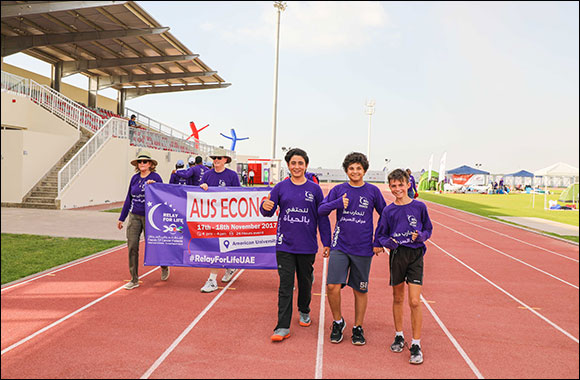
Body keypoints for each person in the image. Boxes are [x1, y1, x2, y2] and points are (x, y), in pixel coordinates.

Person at [260, 148, 331, 342]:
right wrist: (264, 207)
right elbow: (268, 209)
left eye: (300, 163)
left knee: (305, 281)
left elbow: (322, 217)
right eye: (293, 163)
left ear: (306, 165)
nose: (297, 167)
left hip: (307, 245)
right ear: (288, 166)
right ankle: (282, 326)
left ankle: (304, 310)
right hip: (285, 245)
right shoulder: (280, 187)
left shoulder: (314, 189)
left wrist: (327, 241)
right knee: (285, 285)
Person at [318, 152, 386, 345]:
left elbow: (385, 215)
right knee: (332, 286)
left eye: (358, 168)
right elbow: (321, 210)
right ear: (346, 170)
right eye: (351, 168)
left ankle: (358, 327)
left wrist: (378, 240)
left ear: (364, 170)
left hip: (363, 248)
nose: (355, 171)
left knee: (360, 290)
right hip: (340, 245)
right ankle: (338, 322)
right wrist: (338, 203)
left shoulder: (372, 191)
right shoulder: (339, 189)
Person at [374, 168, 433, 365]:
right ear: (389, 187)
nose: (398, 189)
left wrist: (422, 236)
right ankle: (399, 335)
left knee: (415, 301)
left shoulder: (419, 207)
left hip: (415, 255)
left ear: (408, 185)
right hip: (397, 255)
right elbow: (380, 234)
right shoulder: (389, 211)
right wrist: (387, 243)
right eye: (394, 186)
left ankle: (416, 343)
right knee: (398, 298)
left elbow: (428, 229)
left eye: (401, 185)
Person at [117, 151, 169, 289]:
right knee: (132, 245)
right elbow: (129, 198)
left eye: (145, 162)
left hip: (150, 217)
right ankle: (134, 279)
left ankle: (164, 265)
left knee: (153, 245)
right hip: (134, 216)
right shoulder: (134, 178)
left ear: (150, 164)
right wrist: (122, 218)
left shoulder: (155, 177)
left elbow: (163, 194)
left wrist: (154, 186)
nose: (142, 164)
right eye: (140, 162)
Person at [199, 149, 241, 293]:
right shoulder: (207, 175)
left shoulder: (232, 175)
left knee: (222, 246)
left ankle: (216, 277)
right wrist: (202, 188)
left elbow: (240, 196)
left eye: (219, 158)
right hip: (211, 217)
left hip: (227, 217)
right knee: (215, 247)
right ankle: (215, 277)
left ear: (225, 160)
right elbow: (199, 194)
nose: (216, 160)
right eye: (214, 158)